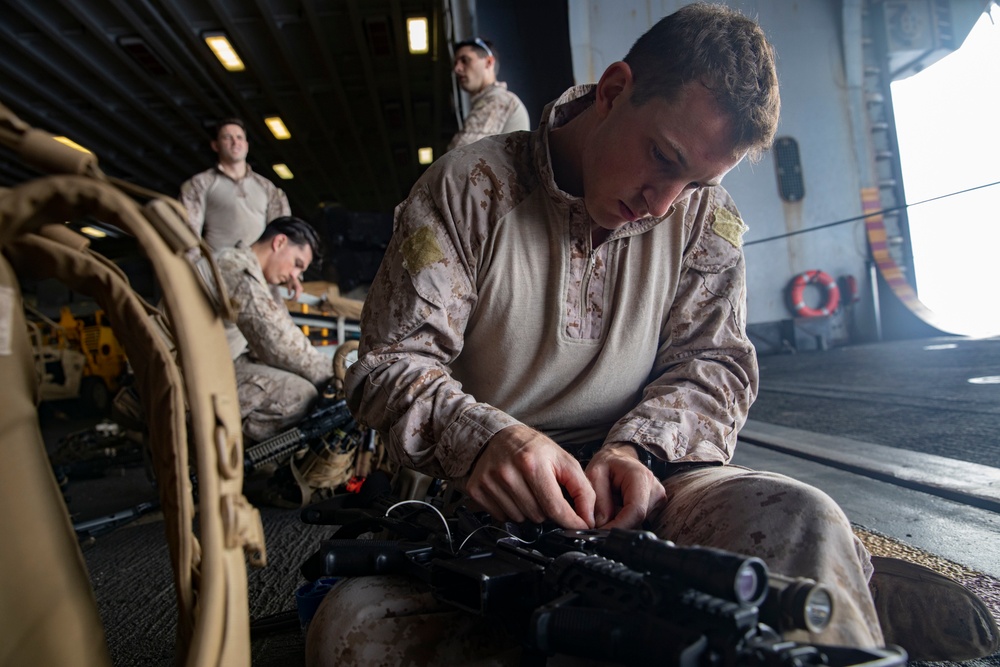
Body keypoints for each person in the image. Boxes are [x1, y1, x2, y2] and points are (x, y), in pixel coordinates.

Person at [311, 4, 997, 665]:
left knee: (803, 516)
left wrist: (638, 449)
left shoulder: (705, 217)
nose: (664, 202)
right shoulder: (468, 188)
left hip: (655, 486)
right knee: (353, 634)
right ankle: (812, 591)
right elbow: (390, 365)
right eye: (663, 158)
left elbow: (715, 366)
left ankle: (801, 579)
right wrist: (483, 438)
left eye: (696, 181)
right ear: (613, 91)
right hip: (487, 505)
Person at [205, 216, 331, 443]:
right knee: (300, 396)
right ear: (279, 242)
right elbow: (275, 340)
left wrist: (275, 287)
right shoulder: (236, 267)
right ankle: (225, 456)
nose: (296, 276)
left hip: (216, 361)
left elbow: (278, 327)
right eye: (297, 264)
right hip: (198, 373)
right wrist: (334, 375)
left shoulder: (247, 270)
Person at [179, 117, 291, 252]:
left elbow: (281, 234)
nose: (235, 142)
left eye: (239, 137)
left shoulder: (267, 188)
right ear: (215, 145)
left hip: (256, 268)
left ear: (246, 145)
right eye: (227, 137)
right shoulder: (199, 184)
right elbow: (188, 232)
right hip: (218, 268)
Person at [447, 37, 531, 151]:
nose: (457, 68)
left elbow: (459, 154)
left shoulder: (498, 99)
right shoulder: (493, 100)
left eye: (465, 60)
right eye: (456, 63)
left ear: (489, 62)